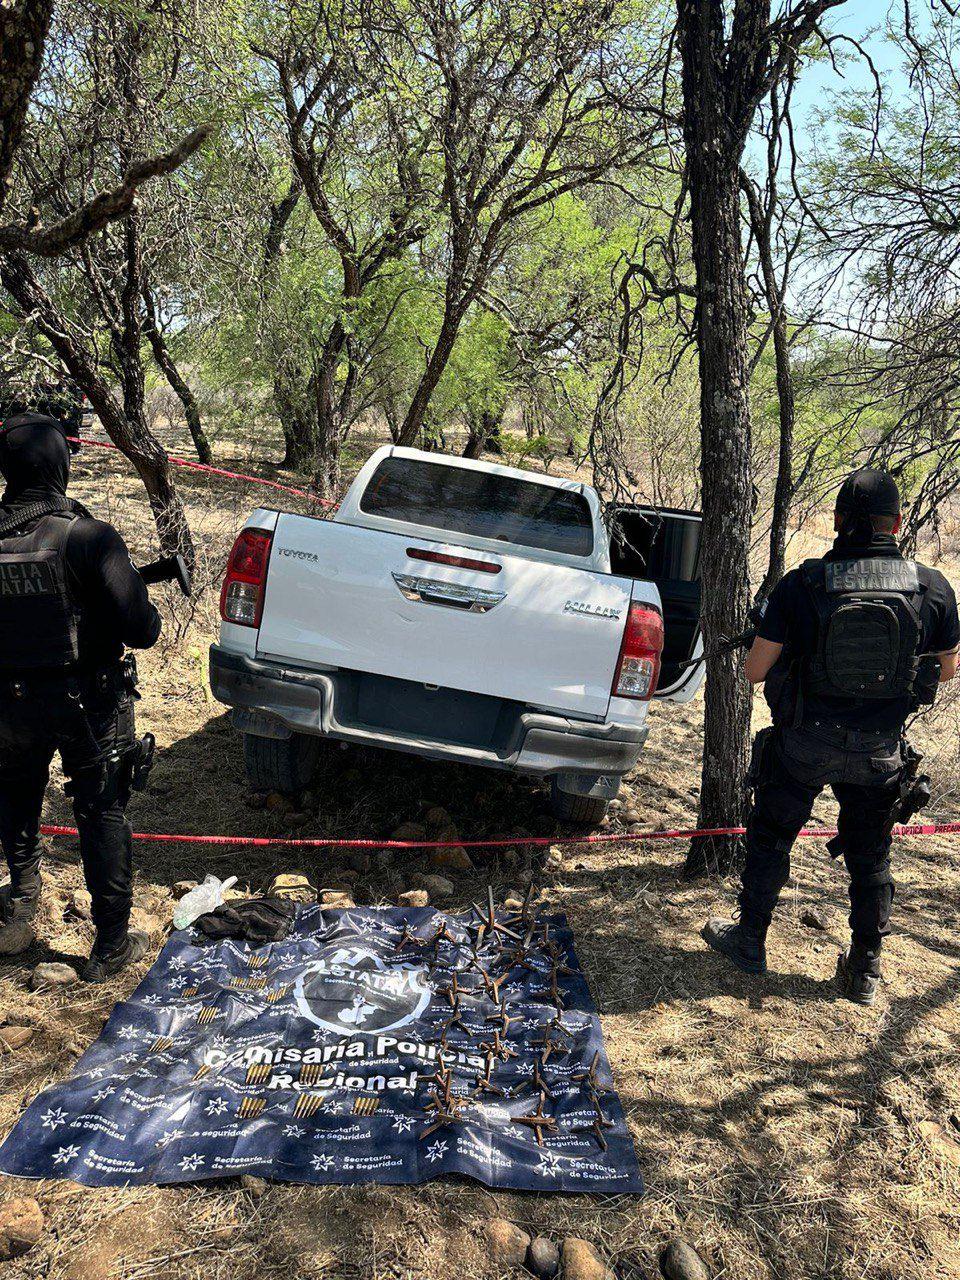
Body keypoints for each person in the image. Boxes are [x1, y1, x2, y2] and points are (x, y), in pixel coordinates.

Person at [703, 468, 960, 1004]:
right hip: (880, 750)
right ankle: (864, 971)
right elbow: (948, 671)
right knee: (872, 857)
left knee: (772, 833)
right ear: (896, 523)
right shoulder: (932, 587)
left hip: (805, 744)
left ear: (840, 520)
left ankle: (749, 940)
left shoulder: (805, 582)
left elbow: (753, 672)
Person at [0, 405, 161, 981]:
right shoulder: (87, 536)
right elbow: (142, 629)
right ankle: (111, 944)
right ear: (61, 465)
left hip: (10, 702)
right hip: (86, 704)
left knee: (17, 794)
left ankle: (20, 907)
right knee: (101, 807)